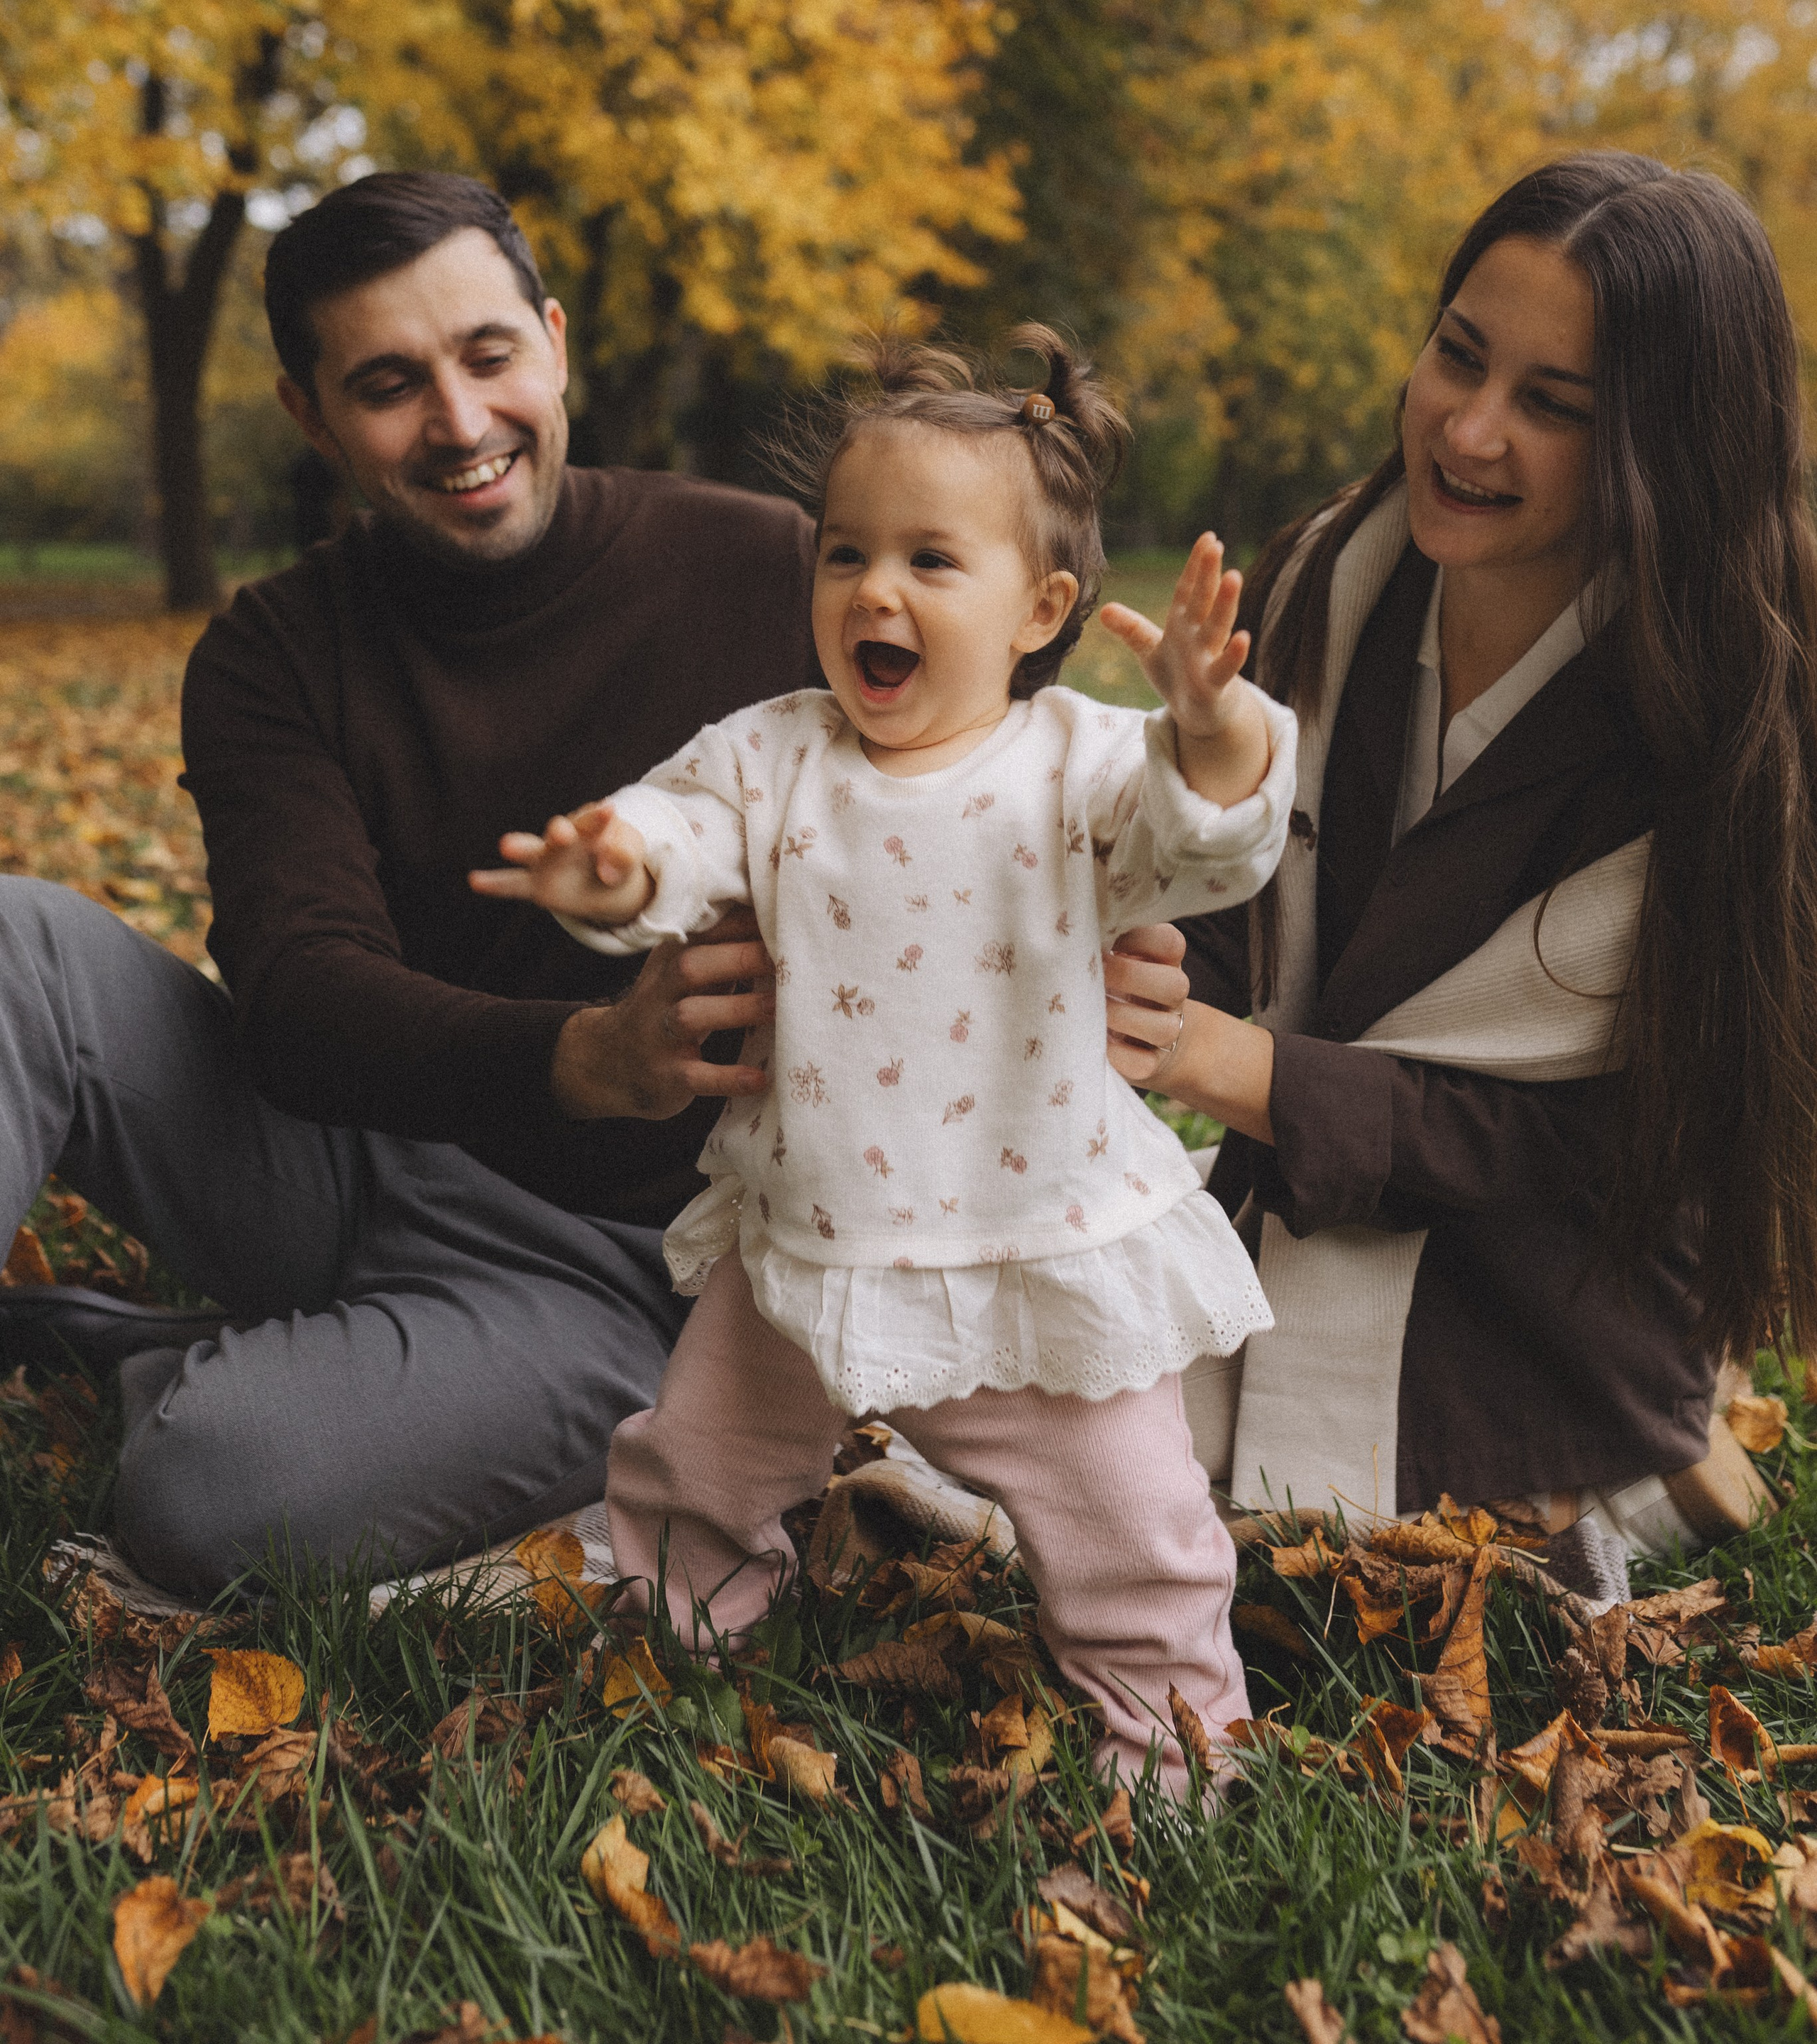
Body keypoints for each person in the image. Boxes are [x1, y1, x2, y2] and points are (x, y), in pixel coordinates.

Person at [478, 331, 1298, 1784]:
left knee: (1129, 1520)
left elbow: (1209, 840)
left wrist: (1213, 724)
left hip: (1030, 1240)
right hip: (808, 1234)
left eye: (930, 560)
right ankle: (679, 1647)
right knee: (699, 1466)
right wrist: (618, 870)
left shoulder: (1079, 763)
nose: (873, 590)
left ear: (1040, 608)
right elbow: (681, 830)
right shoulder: (774, 753)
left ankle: (1172, 1739)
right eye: (845, 553)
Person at [0, 172, 821, 1594]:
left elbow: (1013, 769)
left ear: (552, 344)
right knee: (17, 940)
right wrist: (581, 1055)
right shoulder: (273, 649)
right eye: (388, 385)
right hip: (346, 1158)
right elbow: (296, 995)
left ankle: (208, 1369)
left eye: (488, 356)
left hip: (618, 1267)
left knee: (208, 1492)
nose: (458, 421)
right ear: (311, 417)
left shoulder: (772, 572)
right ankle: (327, 1358)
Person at [1100, 154, 1817, 1595]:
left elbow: (1608, 1146)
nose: (1469, 429)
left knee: (1198, 1530)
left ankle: (1609, 1479)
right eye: (1458, 355)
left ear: (1664, 449)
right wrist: (1145, 949)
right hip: (1289, 1195)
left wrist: (1238, 1069)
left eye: (1553, 405)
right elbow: (1248, 915)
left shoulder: (1739, 723)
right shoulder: (1328, 577)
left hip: (1550, 1290)